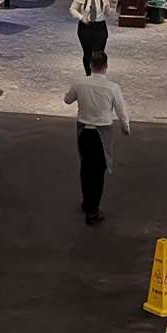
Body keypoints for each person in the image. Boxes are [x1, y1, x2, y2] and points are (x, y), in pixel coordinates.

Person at [64, 50, 129, 225]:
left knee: (85, 167)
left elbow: (67, 100)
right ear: (106, 66)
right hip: (103, 133)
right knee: (99, 172)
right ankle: (93, 211)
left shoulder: (79, 83)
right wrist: (125, 127)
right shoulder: (112, 87)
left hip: (83, 131)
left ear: (90, 65)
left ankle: (86, 202)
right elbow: (121, 110)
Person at [69, 0, 115, 75]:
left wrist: (110, 7)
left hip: (100, 27)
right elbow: (72, 9)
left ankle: (98, 73)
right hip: (86, 26)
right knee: (88, 53)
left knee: (98, 53)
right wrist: (81, 18)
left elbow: (107, 13)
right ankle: (88, 73)